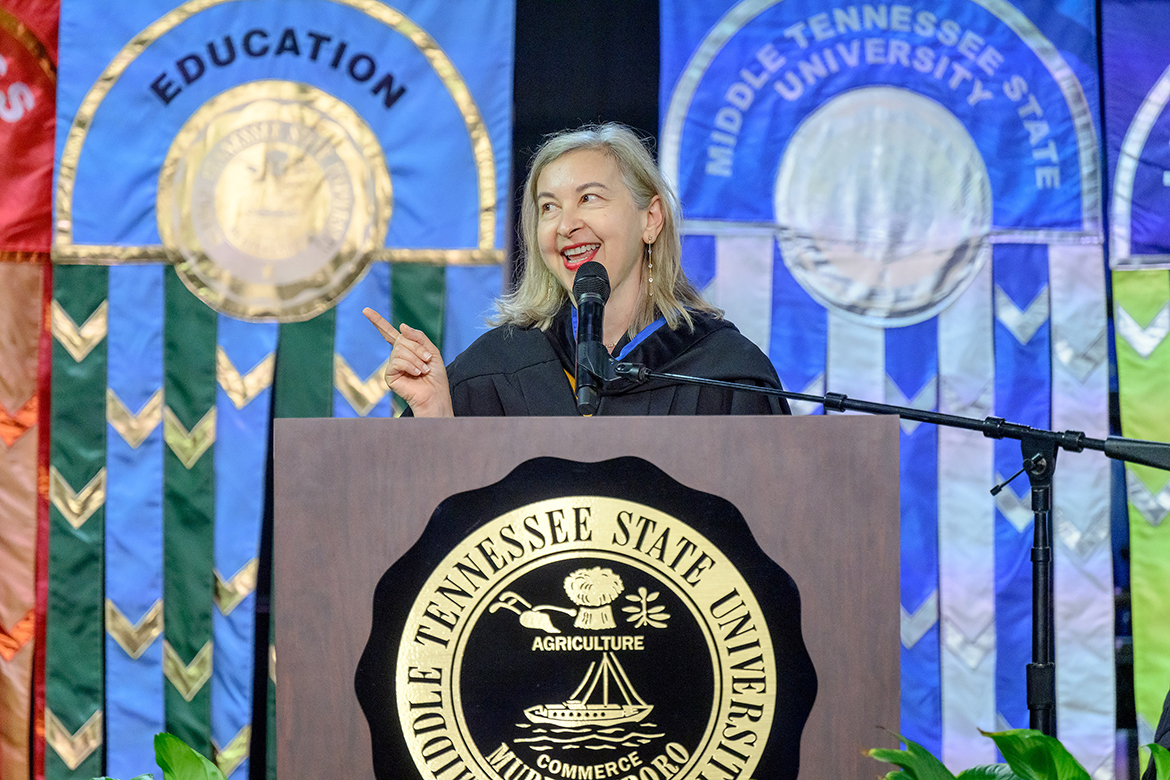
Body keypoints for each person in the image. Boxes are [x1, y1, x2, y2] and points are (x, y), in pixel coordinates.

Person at [363, 123, 790, 416]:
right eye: (549, 207)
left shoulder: (725, 372)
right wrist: (437, 417)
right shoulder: (493, 372)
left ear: (651, 219)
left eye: (590, 198)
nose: (567, 225)